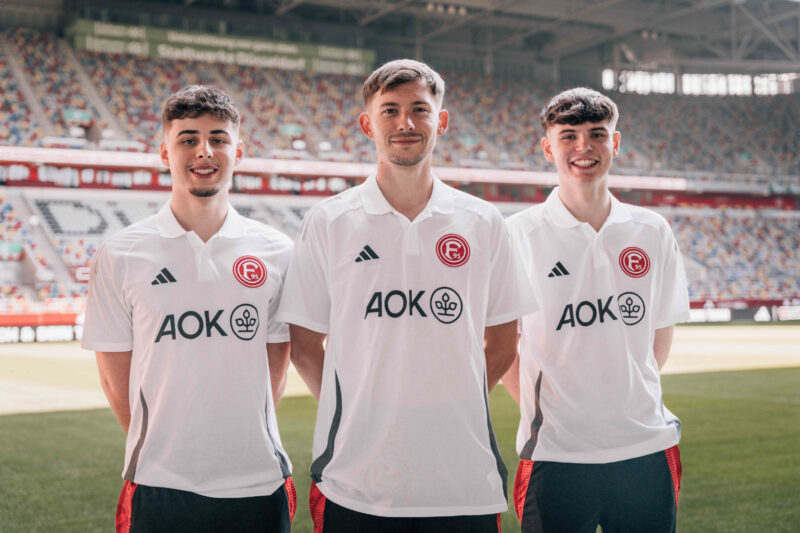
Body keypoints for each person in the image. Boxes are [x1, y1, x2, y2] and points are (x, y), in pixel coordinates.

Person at [275, 59, 535, 532]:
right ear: (367, 123)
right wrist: (354, 409)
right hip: (356, 480)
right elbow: (305, 346)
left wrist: (448, 401)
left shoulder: (483, 222)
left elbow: (503, 343)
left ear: (442, 120)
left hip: (462, 480)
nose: (405, 123)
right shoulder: (329, 221)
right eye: (390, 110)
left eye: (419, 109)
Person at [82, 86, 296, 533]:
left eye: (218, 138)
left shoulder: (278, 251)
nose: (204, 151)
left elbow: (277, 361)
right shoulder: (120, 254)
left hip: (258, 480)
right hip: (159, 482)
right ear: (165, 152)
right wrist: (163, 445)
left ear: (239, 150)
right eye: (188, 139)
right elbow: (113, 377)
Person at [504, 87, 690, 533]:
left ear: (616, 143)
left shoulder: (652, 230)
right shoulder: (518, 234)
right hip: (556, 454)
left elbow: (657, 338)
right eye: (568, 136)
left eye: (596, 134)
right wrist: (548, 409)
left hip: (647, 448)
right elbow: (502, 347)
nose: (583, 147)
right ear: (548, 147)